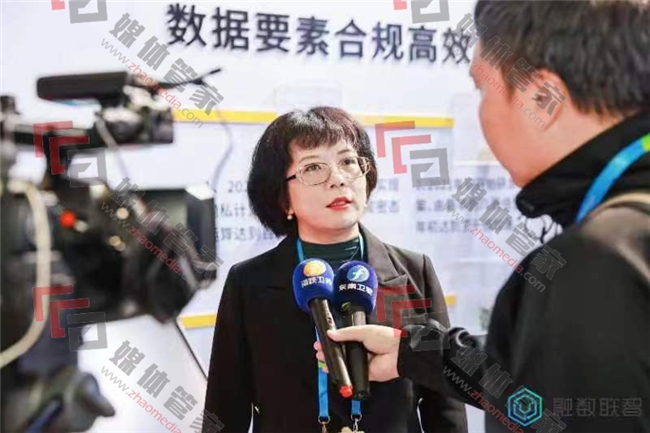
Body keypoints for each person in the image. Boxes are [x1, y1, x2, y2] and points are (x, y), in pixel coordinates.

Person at [315, 1, 650, 432]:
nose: (482, 114)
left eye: (482, 89)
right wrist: (414, 353)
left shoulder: (600, 259)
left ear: (542, 98)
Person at [203, 107, 468, 433]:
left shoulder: (415, 271)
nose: (338, 179)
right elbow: (226, 406)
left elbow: (445, 406)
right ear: (283, 198)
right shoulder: (250, 283)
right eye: (313, 167)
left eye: (348, 162)